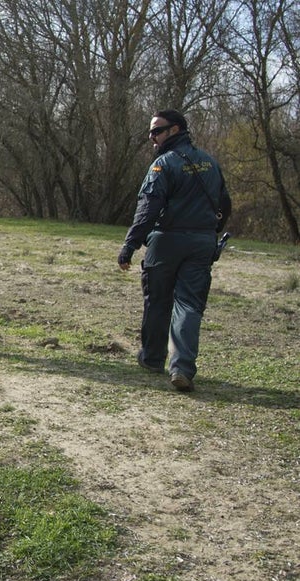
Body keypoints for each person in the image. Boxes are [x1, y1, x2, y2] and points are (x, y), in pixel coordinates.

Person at [117, 109, 231, 392]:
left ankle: (153, 358)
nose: (152, 137)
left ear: (175, 130)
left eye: (157, 130)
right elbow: (225, 204)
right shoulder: (210, 162)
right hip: (203, 242)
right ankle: (181, 368)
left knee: (158, 301)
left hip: (166, 242)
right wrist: (209, 232)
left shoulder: (163, 165)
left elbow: (148, 208)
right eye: (151, 132)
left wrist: (130, 244)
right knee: (189, 305)